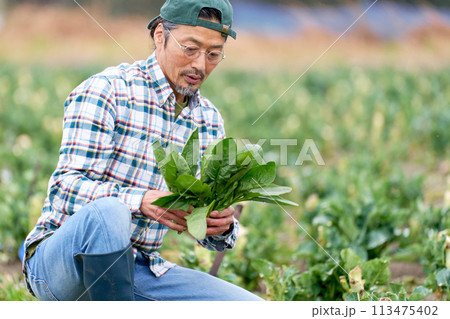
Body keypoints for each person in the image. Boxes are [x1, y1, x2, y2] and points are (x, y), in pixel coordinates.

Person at [22, 0, 262, 301]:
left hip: (140, 269)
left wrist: (220, 226)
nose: (201, 65)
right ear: (160, 35)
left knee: (251, 306)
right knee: (110, 212)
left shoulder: (209, 120)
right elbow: (65, 189)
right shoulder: (107, 90)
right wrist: (139, 201)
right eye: (191, 49)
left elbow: (207, 233)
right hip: (63, 264)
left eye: (214, 55)